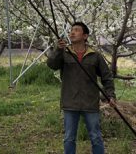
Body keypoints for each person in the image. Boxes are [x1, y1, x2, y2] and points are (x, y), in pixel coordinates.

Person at [46, 22, 116, 154]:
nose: (72, 33)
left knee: (96, 137)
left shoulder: (95, 56)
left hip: (90, 102)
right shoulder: (64, 53)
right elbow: (52, 65)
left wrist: (111, 95)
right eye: (71, 30)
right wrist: (58, 50)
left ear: (85, 36)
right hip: (70, 102)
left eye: (76, 30)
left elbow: (106, 77)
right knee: (69, 138)